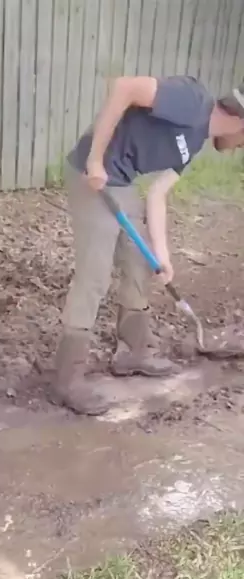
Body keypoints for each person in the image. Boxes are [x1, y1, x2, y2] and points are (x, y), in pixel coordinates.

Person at [54, 75, 244, 416]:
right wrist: (95, 159)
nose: (240, 147)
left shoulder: (195, 141)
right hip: (92, 175)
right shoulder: (192, 100)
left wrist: (163, 255)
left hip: (121, 181)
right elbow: (124, 87)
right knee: (94, 276)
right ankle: (68, 379)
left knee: (139, 261)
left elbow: (157, 194)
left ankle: (134, 351)